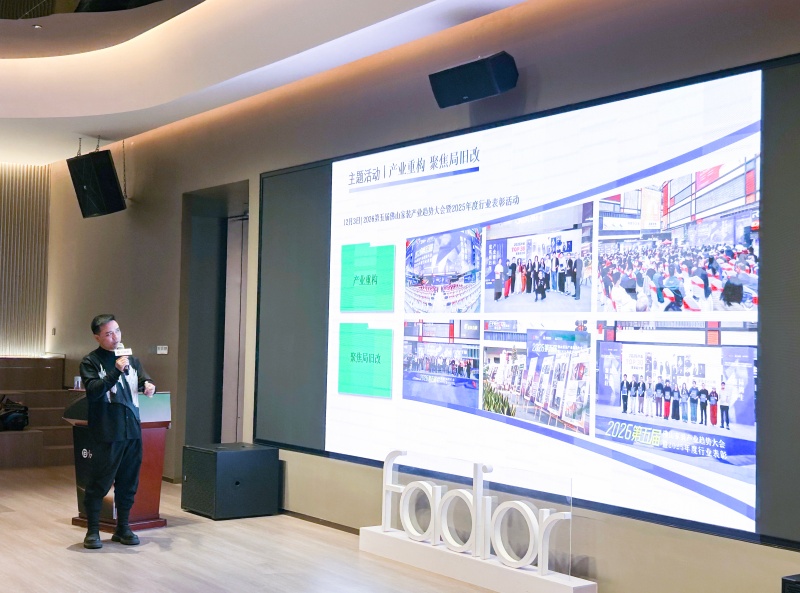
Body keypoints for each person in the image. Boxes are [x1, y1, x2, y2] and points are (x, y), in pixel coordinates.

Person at [79, 314, 156, 549]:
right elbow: (94, 391)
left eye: (118, 331)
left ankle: (123, 528)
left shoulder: (131, 359)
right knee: (100, 482)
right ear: (97, 337)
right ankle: (93, 531)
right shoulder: (90, 362)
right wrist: (115, 370)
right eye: (109, 334)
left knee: (128, 482)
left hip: (132, 430)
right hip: (107, 431)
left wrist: (148, 385)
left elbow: (142, 380)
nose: (115, 337)